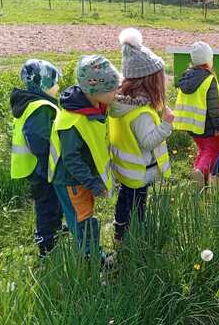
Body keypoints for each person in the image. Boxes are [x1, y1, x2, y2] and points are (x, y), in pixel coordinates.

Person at [49, 55, 119, 259]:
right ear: (95, 91)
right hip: (71, 181)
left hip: (81, 179)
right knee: (83, 222)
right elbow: (71, 160)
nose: (117, 93)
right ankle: (89, 262)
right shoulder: (72, 122)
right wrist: (93, 184)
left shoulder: (93, 106)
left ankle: (92, 254)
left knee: (85, 218)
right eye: (113, 89)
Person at [109, 28, 173, 242]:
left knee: (124, 199)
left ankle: (119, 231)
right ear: (151, 82)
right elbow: (147, 142)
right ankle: (136, 236)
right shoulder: (141, 113)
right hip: (139, 170)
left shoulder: (119, 103)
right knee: (138, 206)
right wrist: (166, 124)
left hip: (124, 168)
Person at [10, 59, 63, 258]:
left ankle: (54, 227)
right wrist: (50, 158)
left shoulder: (29, 102)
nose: (58, 87)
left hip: (34, 165)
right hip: (40, 167)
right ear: (44, 83)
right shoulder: (40, 107)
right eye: (55, 82)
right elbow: (38, 139)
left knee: (51, 200)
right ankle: (46, 244)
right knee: (47, 203)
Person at [174, 41, 219, 186]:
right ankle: (202, 172)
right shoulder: (209, 79)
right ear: (208, 60)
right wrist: (218, 126)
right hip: (207, 125)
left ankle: (198, 173)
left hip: (191, 124)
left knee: (203, 149)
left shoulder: (186, 77)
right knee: (213, 150)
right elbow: (213, 108)